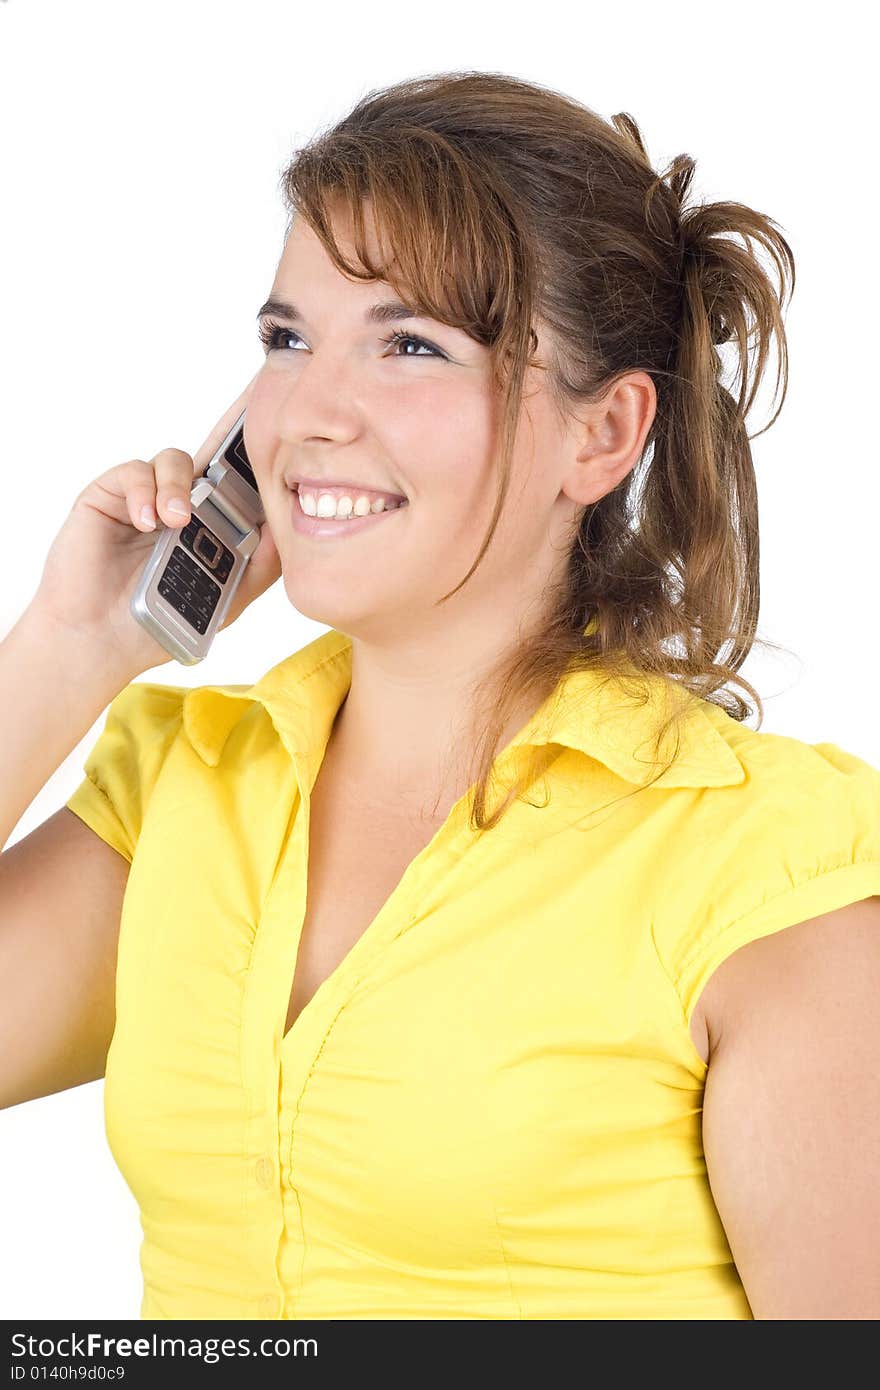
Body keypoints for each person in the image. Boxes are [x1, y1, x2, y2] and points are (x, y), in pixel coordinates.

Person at [2, 69, 879, 1322]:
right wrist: (73, 644)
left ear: (603, 433)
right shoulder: (187, 787)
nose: (308, 410)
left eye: (409, 344)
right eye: (287, 339)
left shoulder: (767, 875)